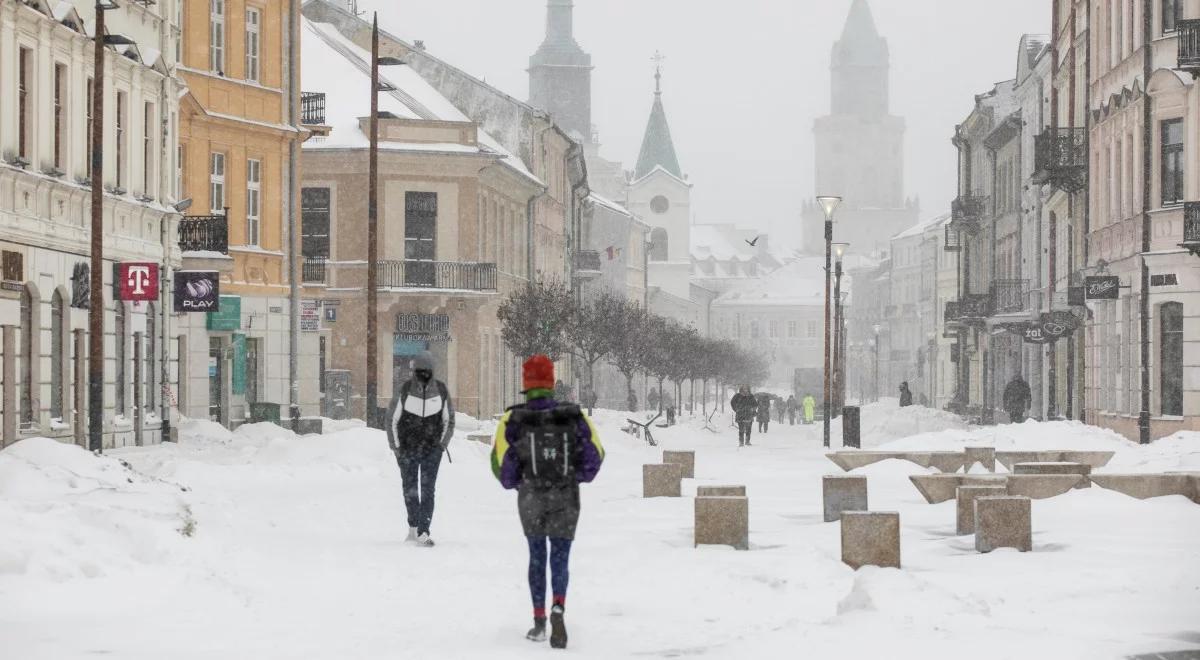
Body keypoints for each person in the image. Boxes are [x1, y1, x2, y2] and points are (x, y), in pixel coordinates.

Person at [492, 355, 605, 650]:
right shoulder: (574, 416)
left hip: (531, 497)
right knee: (560, 556)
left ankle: (539, 619)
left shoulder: (513, 419)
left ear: (526, 384)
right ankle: (558, 606)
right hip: (566, 496)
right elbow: (597, 456)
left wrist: (520, 481)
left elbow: (500, 466)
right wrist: (574, 476)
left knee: (537, 556)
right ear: (552, 382)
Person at [385, 351, 454, 547]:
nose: (423, 373)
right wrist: (396, 447)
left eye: (427, 369)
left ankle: (424, 530)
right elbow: (391, 419)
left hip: (432, 450)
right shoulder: (404, 390)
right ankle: (413, 527)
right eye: (420, 370)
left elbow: (449, 420)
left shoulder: (441, 391)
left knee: (428, 489)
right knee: (410, 488)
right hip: (407, 450)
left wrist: (441, 446)